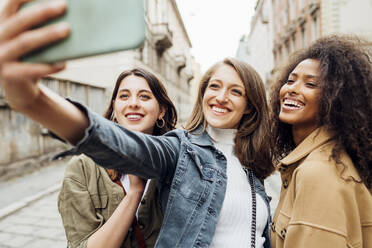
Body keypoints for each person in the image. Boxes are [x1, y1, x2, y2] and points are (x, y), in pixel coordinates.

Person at [0, 0, 275, 247]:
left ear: (251, 104)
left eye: (236, 91)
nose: (221, 96)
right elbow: (115, 142)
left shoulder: (253, 163)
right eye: (214, 86)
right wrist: (33, 101)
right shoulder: (182, 150)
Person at [269, 35, 372, 248]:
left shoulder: (317, 173)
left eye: (311, 84)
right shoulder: (335, 158)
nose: (293, 89)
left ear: (336, 99)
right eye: (290, 80)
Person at [58, 68, 177, 248]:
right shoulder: (82, 167)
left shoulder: (179, 163)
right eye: (124, 96)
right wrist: (135, 192)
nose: (133, 103)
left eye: (144, 96)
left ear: (161, 110)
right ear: (115, 107)